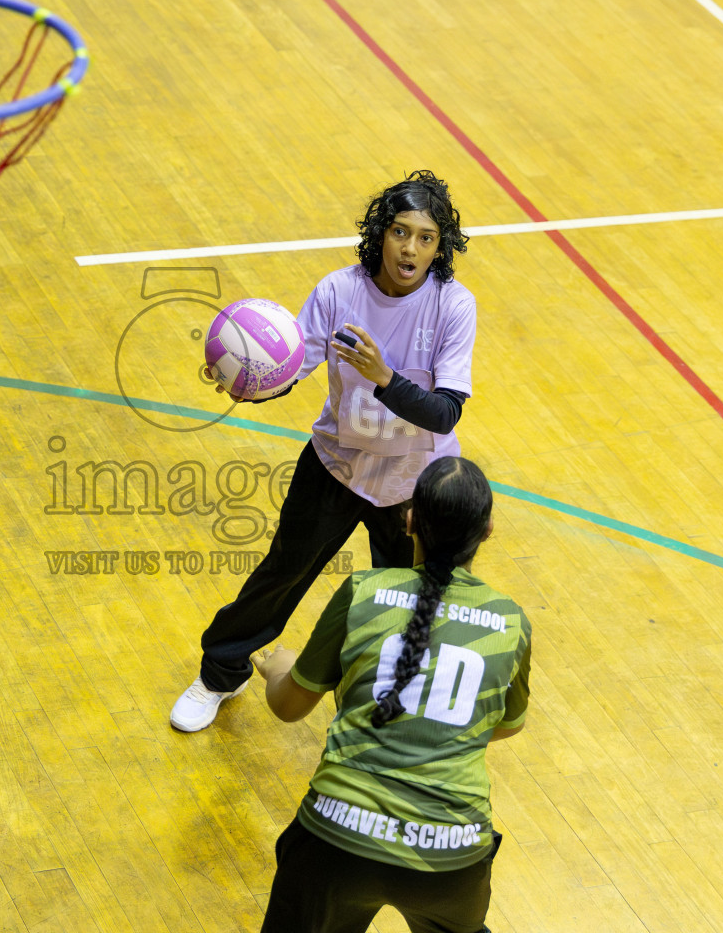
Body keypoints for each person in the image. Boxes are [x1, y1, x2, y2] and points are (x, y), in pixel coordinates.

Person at [171, 170, 477, 732]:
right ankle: (221, 674)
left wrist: (385, 378)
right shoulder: (340, 291)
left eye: (426, 237)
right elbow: (290, 369)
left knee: (412, 599)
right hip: (336, 465)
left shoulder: (453, 306)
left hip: (414, 484)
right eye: (401, 231)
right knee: (283, 573)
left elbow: (446, 412)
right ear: (380, 233)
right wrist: (248, 379)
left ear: (442, 246)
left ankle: (393, 703)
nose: (410, 248)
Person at [250, 455, 529, 933]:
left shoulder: (364, 590)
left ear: (409, 520)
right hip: (452, 859)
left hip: (337, 842)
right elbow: (506, 725)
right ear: (486, 532)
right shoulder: (510, 621)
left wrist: (281, 668)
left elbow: (289, 706)